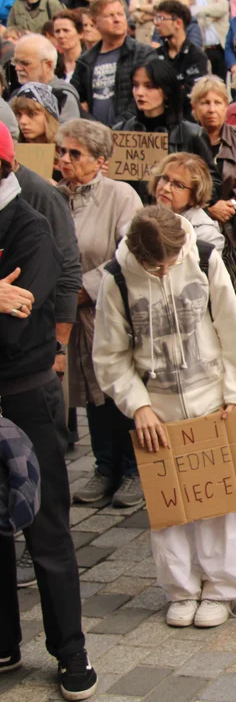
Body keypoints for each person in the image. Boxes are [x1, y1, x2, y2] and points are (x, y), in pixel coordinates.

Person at [92, 203, 236, 628]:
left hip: (211, 399)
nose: (164, 274)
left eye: (169, 265)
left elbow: (230, 327)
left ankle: (222, 589)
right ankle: (181, 588)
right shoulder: (116, 278)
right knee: (170, 510)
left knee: (223, 505)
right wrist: (138, 407)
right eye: (154, 268)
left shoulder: (204, 257)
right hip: (158, 408)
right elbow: (110, 355)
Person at [0, 125, 99, 702]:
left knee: (46, 529)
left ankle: (70, 650)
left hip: (26, 394)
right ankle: (6, 639)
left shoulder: (30, 229)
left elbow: (15, 328)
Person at [59, 119, 145, 509]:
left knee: (117, 389)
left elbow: (129, 251)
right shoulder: (54, 195)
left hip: (108, 310)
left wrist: (87, 287)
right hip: (70, 313)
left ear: (99, 160)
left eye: (74, 154)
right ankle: (104, 466)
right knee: (91, 392)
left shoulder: (120, 195)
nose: (64, 159)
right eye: (61, 151)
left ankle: (132, 470)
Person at [189, 75, 236, 371]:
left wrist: (230, 205)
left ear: (227, 106)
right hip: (199, 236)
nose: (211, 109)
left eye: (218, 102)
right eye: (204, 102)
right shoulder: (187, 139)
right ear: (194, 108)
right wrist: (207, 205)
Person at [114, 58, 219, 203]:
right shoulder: (121, 131)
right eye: (135, 85)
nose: (139, 93)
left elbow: (212, 186)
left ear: (166, 91)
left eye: (149, 86)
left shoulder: (192, 134)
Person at [71, 0, 155, 128]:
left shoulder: (143, 53)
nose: (117, 20)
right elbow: (74, 99)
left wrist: (116, 127)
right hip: (94, 136)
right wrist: (93, 126)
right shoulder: (85, 61)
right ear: (95, 22)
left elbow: (147, 96)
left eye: (120, 14)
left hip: (132, 133)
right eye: (110, 15)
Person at [148, 153, 225, 251]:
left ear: (194, 196)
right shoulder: (143, 219)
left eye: (178, 185)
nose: (166, 188)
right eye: (164, 178)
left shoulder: (206, 235)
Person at [152, 0, 209, 121]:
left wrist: (163, 90)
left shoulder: (197, 56)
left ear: (178, 23)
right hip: (161, 122)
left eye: (161, 19)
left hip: (188, 123)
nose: (156, 23)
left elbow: (192, 94)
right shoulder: (156, 55)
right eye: (155, 19)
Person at [12, 33, 80, 123]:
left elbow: (68, 134)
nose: (17, 68)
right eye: (15, 62)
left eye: (25, 63)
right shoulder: (17, 94)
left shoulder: (62, 96)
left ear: (48, 65)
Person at [190, 0, 229, 79]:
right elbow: (188, 13)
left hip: (218, 47)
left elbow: (222, 8)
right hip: (199, 48)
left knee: (221, 83)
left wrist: (198, 10)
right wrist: (211, 14)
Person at [10, 82, 60, 148]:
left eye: (31, 114)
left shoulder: (66, 153)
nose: (22, 121)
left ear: (49, 116)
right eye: (19, 114)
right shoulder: (12, 152)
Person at [50, 10, 85, 84]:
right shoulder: (53, 64)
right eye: (57, 31)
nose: (61, 36)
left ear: (80, 33)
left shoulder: (88, 63)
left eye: (66, 30)